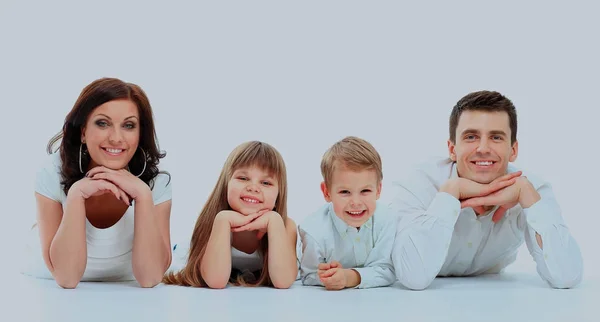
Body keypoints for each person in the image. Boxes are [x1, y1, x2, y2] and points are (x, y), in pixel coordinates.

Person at [389, 90, 583, 290]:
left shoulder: (531, 189)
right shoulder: (420, 182)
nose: (483, 148)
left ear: (513, 150)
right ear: (452, 149)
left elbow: (567, 276)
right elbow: (413, 276)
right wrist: (450, 192)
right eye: (471, 136)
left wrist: (527, 196)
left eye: (496, 137)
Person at [21, 78, 173, 289]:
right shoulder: (51, 172)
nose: (116, 138)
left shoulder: (156, 182)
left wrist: (143, 195)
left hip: (127, 291)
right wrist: (76, 195)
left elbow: (150, 278)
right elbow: (66, 278)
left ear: (140, 134)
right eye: (103, 123)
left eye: (129, 125)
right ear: (83, 132)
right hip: (46, 285)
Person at [163, 141, 297, 289]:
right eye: (243, 178)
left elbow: (283, 282)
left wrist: (274, 221)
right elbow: (216, 282)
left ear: (279, 193)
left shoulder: (285, 226)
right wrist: (223, 220)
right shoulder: (213, 221)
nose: (253, 188)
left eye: (266, 183)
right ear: (226, 184)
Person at [298, 136, 396, 290]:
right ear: (327, 192)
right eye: (345, 192)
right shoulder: (314, 231)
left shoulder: (387, 220)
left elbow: (388, 269)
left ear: (378, 190)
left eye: (365, 191)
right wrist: (327, 276)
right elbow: (308, 275)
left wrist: (350, 277)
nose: (356, 202)